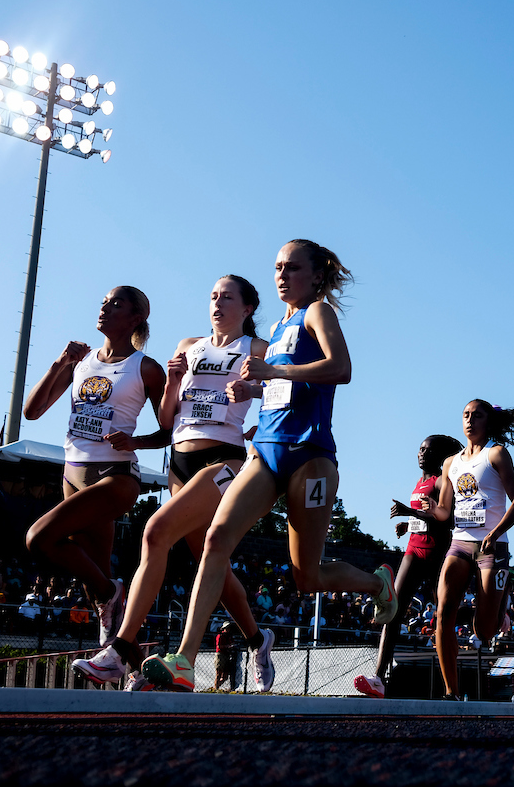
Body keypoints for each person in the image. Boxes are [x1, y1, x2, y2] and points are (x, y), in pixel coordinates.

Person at [142, 240, 398, 692]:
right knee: (216, 538)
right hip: (265, 449)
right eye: (277, 267)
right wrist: (253, 390)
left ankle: (377, 584)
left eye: (292, 268)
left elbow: (341, 368)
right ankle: (183, 658)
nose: (282, 275)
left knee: (306, 576)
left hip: (311, 456)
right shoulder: (278, 328)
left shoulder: (316, 313)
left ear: (316, 275)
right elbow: (277, 386)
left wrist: (273, 374)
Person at [73, 276, 277, 692]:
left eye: (228, 297)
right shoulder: (189, 345)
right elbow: (166, 420)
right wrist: (171, 380)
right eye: (213, 296)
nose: (218, 303)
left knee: (155, 532)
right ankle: (259, 638)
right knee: (208, 557)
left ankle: (118, 649)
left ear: (249, 308)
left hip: (224, 458)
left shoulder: (255, 349)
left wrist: (254, 393)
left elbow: (285, 387)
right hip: (180, 460)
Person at [22, 286, 167, 649]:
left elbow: (171, 430)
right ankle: (127, 665)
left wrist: (137, 442)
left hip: (114, 475)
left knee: (39, 539)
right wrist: (60, 362)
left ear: (136, 319)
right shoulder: (81, 361)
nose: (104, 307)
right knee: (94, 584)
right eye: (103, 301)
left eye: (115, 303)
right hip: (72, 472)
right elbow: (32, 411)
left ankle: (112, 593)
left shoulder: (145, 368)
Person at [424, 400, 514, 700]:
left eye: (477, 415)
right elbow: (446, 512)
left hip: (492, 546)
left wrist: (495, 533)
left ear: (489, 422)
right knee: (443, 614)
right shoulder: (451, 463)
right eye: (466, 415)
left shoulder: (496, 454)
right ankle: (451, 692)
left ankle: (498, 605)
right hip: (459, 542)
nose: (470, 420)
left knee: (485, 631)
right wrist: (431, 510)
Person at [354, 434, 464, 699]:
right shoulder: (420, 482)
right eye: (420, 449)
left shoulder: (441, 482)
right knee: (393, 610)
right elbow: (425, 518)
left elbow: (446, 521)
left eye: (427, 450)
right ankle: (378, 679)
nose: (421, 453)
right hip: (413, 551)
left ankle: (487, 616)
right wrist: (409, 524)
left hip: (437, 554)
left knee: (445, 616)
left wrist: (410, 513)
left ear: (440, 456)